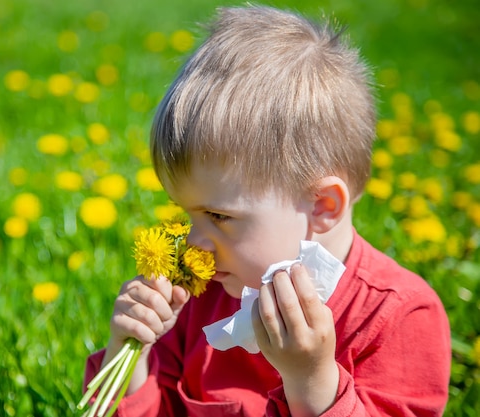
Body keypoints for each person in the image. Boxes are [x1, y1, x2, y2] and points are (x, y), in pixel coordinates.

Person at [83, 5, 451, 416]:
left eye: (219, 216)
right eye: (189, 215)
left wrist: (310, 380)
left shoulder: (398, 316)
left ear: (322, 207)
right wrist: (131, 353)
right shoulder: (201, 302)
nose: (194, 243)